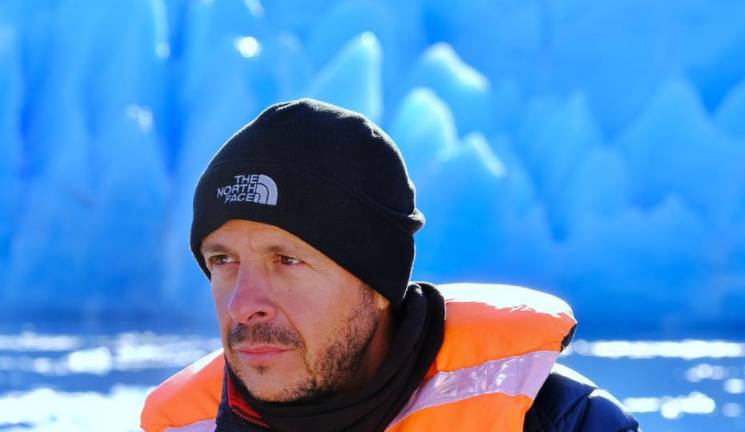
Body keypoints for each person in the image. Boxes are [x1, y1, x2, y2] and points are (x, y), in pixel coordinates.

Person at [141, 99, 640, 432]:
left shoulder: (559, 421)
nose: (243, 304)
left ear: (377, 279)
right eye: (222, 260)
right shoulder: (188, 426)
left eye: (287, 259)